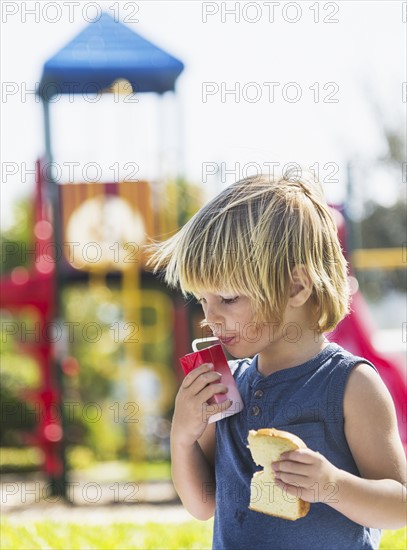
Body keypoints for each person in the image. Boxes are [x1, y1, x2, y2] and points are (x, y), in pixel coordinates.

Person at [144, 171, 406, 549]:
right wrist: (182, 438)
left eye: (228, 298)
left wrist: (332, 486)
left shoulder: (352, 384)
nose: (210, 317)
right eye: (203, 300)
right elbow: (203, 505)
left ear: (296, 286)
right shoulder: (224, 382)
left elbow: (399, 507)